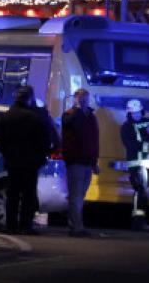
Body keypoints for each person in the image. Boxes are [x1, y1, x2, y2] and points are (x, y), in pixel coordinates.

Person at [0, 85, 54, 234]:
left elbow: (0, 140)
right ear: (30, 98)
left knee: (13, 195)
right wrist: (41, 156)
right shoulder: (35, 117)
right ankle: (26, 225)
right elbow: (45, 139)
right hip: (31, 163)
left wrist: (8, 154)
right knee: (28, 195)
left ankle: (11, 225)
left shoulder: (8, 115)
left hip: (13, 162)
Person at [120, 98, 149, 230]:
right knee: (140, 190)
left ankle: (141, 219)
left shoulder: (147, 122)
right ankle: (137, 221)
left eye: (138, 112)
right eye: (134, 113)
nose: (137, 115)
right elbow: (130, 145)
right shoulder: (126, 127)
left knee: (145, 191)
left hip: (148, 163)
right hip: (136, 164)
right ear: (129, 113)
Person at [62, 88, 99, 238]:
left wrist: (94, 162)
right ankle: (77, 228)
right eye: (81, 98)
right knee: (76, 196)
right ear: (75, 99)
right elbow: (67, 124)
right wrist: (77, 109)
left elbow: (95, 140)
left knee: (80, 195)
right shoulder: (70, 114)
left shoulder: (91, 116)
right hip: (75, 161)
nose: (84, 101)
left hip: (87, 162)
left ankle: (75, 225)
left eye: (86, 99)